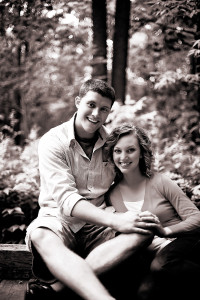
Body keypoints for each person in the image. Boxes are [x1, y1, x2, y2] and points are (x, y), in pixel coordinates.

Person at [25, 79, 159, 300]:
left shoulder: (112, 145)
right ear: (78, 102)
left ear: (109, 113)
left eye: (104, 109)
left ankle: (56, 289)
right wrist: (117, 221)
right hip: (59, 220)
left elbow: (132, 179)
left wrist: (129, 214)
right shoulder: (53, 141)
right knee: (39, 233)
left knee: (144, 228)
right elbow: (67, 200)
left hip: (100, 225)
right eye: (91, 104)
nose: (96, 114)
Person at [104, 123, 200, 300]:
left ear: (141, 152)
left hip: (181, 243)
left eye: (130, 150)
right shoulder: (112, 195)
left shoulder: (160, 182)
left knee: (161, 266)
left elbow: (197, 218)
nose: (123, 157)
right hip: (148, 257)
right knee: (144, 293)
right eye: (117, 151)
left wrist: (165, 231)